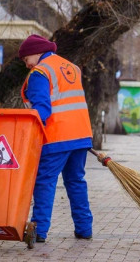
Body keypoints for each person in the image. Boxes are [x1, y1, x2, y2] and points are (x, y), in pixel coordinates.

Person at [19, 34, 93, 243]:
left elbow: (42, 108)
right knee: (76, 181)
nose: (27, 65)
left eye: (26, 60)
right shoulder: (71, 67)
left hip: (57, 136)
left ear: (35, 52)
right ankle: (84, 228)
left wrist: (27, 129)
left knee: (45, 182)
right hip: (81, 135)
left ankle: (39, 230)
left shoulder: (40, 72)